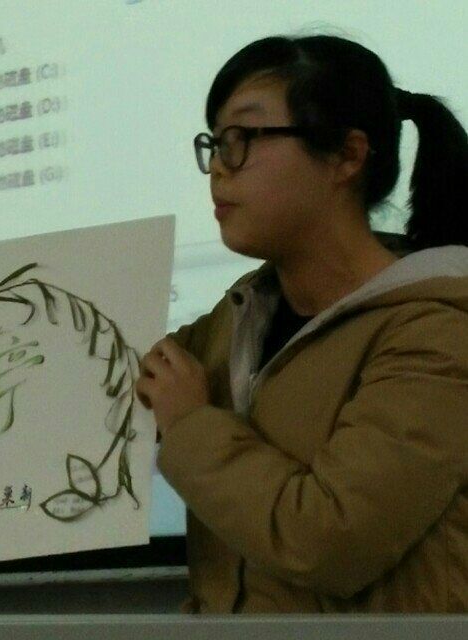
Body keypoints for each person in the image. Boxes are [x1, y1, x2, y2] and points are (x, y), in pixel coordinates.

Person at [135, 35, 467, 613]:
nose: (218, 167)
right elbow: (92, 386)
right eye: (215, 142)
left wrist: (190, 426)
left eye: (242, 138)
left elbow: (331, 543)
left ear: (347, 156)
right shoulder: (236, 319)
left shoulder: (437, 331)